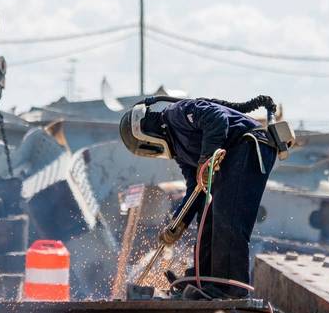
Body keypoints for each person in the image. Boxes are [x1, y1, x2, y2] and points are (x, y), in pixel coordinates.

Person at [119, 95, 279, 298]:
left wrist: (206, 158)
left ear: (146, 131)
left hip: (249, 144)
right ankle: (202, 279)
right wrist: (177, 224)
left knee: (228, 217)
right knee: (208, 217)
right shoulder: (180, 151)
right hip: (233, 155)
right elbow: (196, 188)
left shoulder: (177, 113)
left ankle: (229, 288)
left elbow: (217, 118)